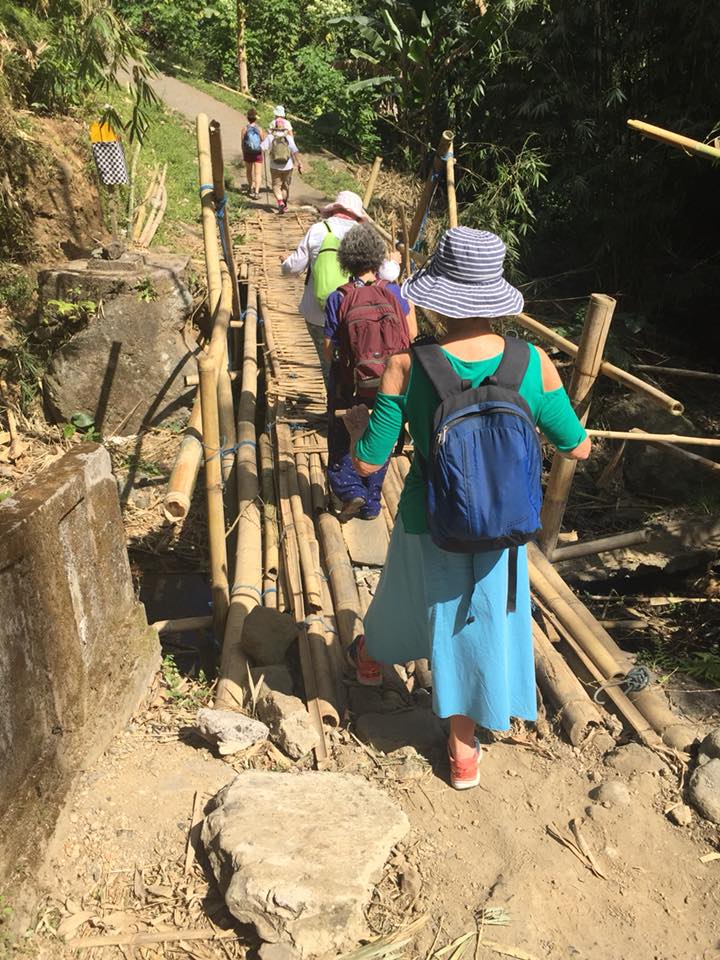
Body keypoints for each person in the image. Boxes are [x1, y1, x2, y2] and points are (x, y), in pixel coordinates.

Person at [343, 227, 591, 790]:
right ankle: (394, 669)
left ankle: (458, 740)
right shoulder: (534, 363)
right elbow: (577, 446)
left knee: (412, 596)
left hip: (425, 515)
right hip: (504, 523)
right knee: (474, 613)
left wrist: (362, 430)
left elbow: (367, 464)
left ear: (437, 297)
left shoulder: (407, 366)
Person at [324, 223, 417, 520]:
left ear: (346, 260)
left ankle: (351, 489)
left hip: (353, 383)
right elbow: (411, 335)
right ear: (378, 259)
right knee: (383, 435)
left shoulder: (338, 297)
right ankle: (372, 502)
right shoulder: (395, 292)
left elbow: (330, 348)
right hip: (392, 381)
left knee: (342, 433)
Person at [279, 191, 367, 379]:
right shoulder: (362, 235)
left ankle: (332, 399)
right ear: (356, 215)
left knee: (327, 362)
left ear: (335, 209)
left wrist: (285, 263)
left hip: (318, 313)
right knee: (354, 357)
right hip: (353, 313)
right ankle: (351, 396)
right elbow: (383, 272)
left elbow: (294, 267)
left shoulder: (318, 229)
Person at [261, 115, 302, 214]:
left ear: (274, 127)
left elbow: (262, 148)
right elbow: (295, 151)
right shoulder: (288, 137)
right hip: (288, 166)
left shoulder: (270, 137)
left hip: (275, 166)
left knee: (276, 185)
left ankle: (280, 202)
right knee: (285, 186)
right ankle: (284, 204)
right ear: (284, 128)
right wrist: (299, 163)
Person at [241, 108, 264, 200]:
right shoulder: (260, 129)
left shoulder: (245, 129)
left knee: (249, 171)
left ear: (247, 118)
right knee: (258, 173)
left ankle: (250, 188)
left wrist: (244, 152)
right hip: (257, 153)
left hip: (248, 153)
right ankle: (257, 192)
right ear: (256, 118)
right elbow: (263, 142)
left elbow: (242, 143)